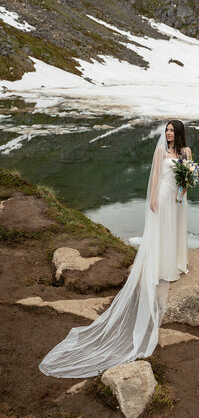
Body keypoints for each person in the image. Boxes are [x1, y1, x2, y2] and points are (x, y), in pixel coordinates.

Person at [39, 120, 191, 378]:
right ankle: (162, 265)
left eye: (172, 131)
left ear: (179, 134)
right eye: (166, 130)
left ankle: (175, 261)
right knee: (162, 231)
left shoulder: (186, 152)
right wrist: (153, 197)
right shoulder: (160, 151)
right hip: (163, 196)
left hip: (178, 199)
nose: (168, 134)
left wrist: (184, 189)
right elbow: (155, 175)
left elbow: (188, 174)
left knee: (175, 230)